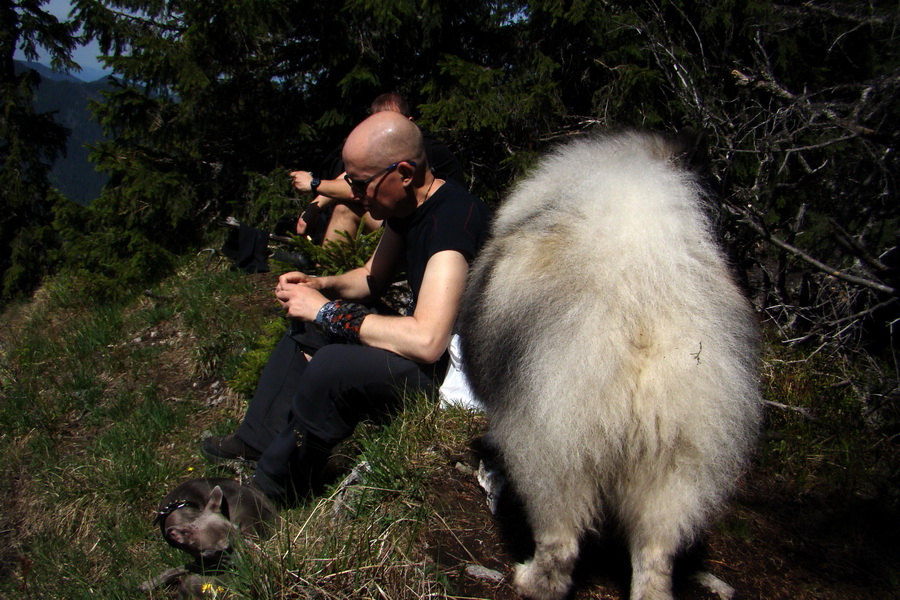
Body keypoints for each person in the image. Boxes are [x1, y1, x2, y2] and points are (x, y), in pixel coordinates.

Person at [202, 111, 491, 504]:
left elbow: (428, 341)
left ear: (404, 172)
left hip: (454, 373)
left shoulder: (452, 224)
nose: (354, 194)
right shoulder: (408, 209)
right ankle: (258, 440)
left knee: (332, 365)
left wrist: (327, 311)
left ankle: (270, 492)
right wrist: (319, 287)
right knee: (310, 328)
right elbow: (373, 276)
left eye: (361, 183)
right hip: (431, 352)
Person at [288, 92, 465, 245]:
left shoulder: (420, 147)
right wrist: (316, 205)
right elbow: (354, 178)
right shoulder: (390, 149)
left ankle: (329, 271)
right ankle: (327, 273)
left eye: (391, 122)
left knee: (347, 210)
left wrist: (314, 184)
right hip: (409, 220)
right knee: (346, 209)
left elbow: (363, 184)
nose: (383, 132)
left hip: (437, 226)